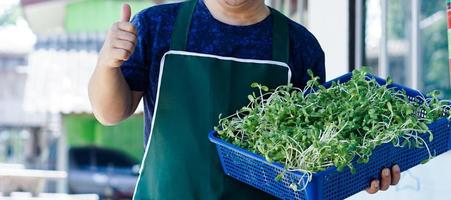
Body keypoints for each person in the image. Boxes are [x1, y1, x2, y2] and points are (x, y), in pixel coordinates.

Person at [88, 0, 400, 198]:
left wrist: (362, 173)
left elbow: (314, 159)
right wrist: (106, 64)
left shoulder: (299, 46)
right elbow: (110, 112)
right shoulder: (157, 27)